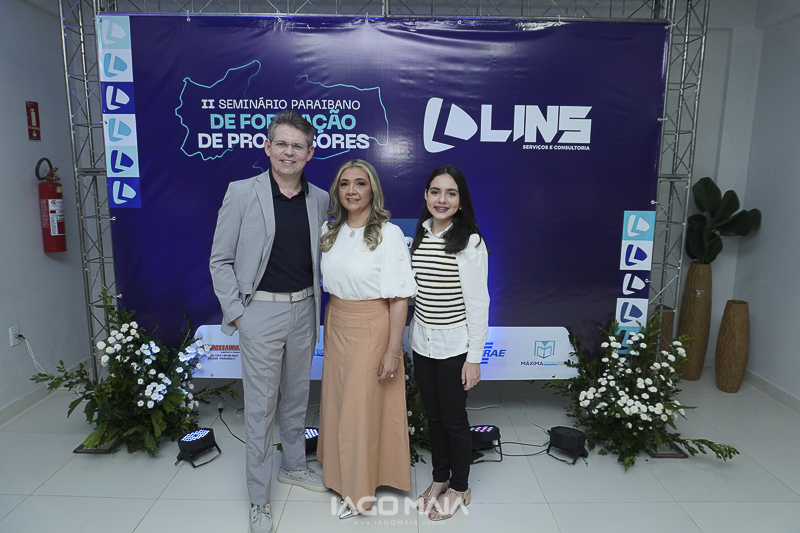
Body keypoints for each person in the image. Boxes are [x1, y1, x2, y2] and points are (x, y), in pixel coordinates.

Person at [209, 111, 329, 533]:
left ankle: (293, 466)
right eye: (282, 143)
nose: (288, 152)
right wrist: (240, 315)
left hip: (304, 310)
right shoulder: (242, 193)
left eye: (298, 146)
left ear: (310, 153)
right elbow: (220, 260)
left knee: (297, 397)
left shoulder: (321, 199)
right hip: (259, 312)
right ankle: (259, 500)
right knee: (260, 408)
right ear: (267, 147)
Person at [316, 159, 416, 518]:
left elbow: (400, 298)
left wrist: (392, 351)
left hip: (371, 324)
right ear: (337, 190)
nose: (352, 191)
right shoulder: (330, 231)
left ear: (372, 189)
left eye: (360, 183)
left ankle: (358, 492)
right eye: (345, 184)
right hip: (336, 321)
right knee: (339, 402)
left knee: (362, 407)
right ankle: (339, 474)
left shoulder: (388, 234)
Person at [409, 165, 490, 521]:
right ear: (426, 196)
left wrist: (474, 358)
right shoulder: (421, 233)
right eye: (436, 191)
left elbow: (478, 304)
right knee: (433, 417)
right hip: (422, 344)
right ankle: (439, 478)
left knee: (454, 421)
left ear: (461, 200)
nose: (442, 199)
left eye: (451, 193)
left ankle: (460, 486)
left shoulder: (470, 241)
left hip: (455, 348)